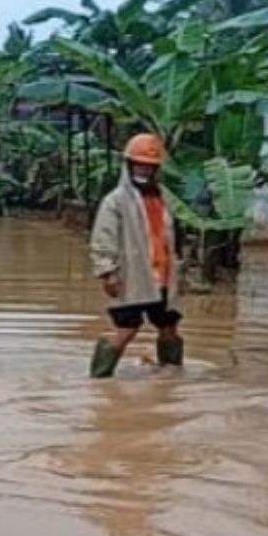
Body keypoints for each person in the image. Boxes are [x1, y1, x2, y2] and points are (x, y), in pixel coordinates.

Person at [88, 134, 184, 378]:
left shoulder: (164, 198)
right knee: (127, 329)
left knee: (169, 326)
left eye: (149, 165)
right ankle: (99, 379)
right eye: (140, 164)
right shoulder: (115, 201)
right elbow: (102, 238)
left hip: (163, 276)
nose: (144, 169)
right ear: (129, 165)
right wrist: (107, 272)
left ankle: (171, 375)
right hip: (133, 275)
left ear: (156, 168)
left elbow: (173, 235)